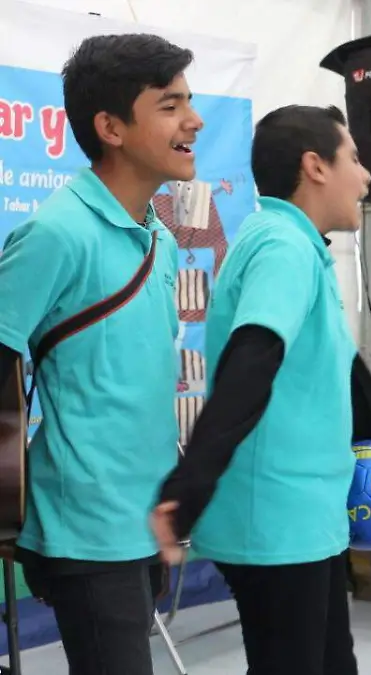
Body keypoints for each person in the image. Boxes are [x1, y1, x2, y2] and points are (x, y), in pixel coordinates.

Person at [149, 105, 371, 675]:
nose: (365, 177)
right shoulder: (282, 246)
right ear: (315, 166)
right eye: (353, 159)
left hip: (306, 520)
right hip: (276, 523)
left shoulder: (296, 245)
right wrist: (189, 489)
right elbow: (252, 361)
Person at [0, 34, 199, 675]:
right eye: (169, 105)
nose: (193, 120)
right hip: (84, 526)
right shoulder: (56, 233)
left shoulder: (159, 239)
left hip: (144, 516)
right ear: (110, 126)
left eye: (189, 103)